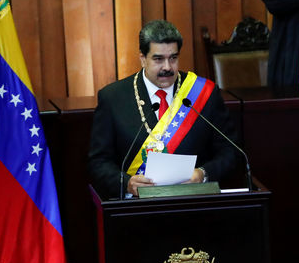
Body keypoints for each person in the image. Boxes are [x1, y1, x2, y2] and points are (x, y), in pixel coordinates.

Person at [88, 20, 239, 199]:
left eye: (173, 58)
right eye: (158, 59)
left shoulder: (203, 94)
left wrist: (203, 174)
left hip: (193, 204)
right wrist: (126, 183)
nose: (167, 67)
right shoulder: (113, 98)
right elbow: (98, 161)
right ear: (143, 58)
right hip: (136, 209)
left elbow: (231, 151)